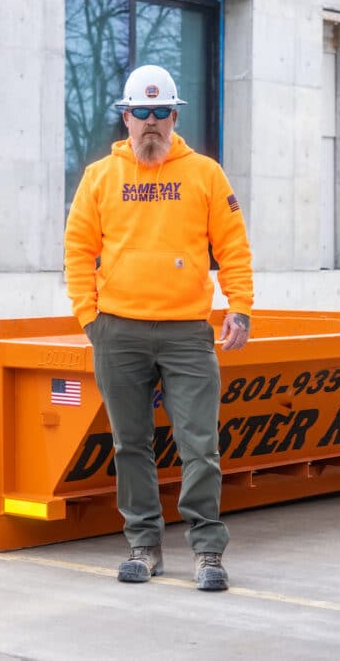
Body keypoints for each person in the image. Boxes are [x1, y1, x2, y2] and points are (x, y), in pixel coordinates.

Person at [64, 64, 254, 591]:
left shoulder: (206, 174)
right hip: (117, 330)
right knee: (131, 444)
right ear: (125, 117)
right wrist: (90, 318)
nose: (150, 122)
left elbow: (233, 247)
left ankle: (208, 551)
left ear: (174, 116)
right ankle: (143, 546)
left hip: (187, 333)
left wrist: (239, 306)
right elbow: (78, 251)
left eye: (160, 112)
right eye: (139, 112)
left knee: (200, 444)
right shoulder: (100, 177)